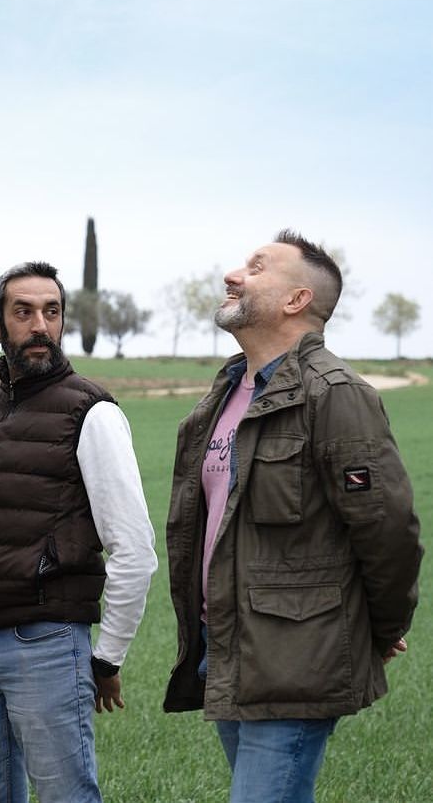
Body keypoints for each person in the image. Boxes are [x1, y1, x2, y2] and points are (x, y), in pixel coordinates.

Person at [164, 230, 423, 802]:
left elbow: (387, 530)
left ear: (296, 299)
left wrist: (381, 629)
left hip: (297, 655)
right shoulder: (227, 394)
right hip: (226, 644)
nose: (234, 274)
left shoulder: (335, 394)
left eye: (256, 268)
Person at [0, 261, 157, 803]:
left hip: (46, 645)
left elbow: (134, 549)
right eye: (23, 312)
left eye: (51, 312)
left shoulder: (91, 412)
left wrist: (107, 657)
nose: (39, 325)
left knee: (65, 797)